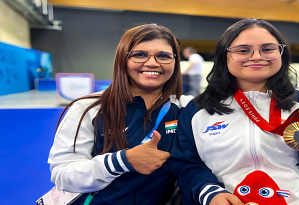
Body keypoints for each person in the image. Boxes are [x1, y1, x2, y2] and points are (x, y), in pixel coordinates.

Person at [169, 19, 299, 205]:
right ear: (225, 56)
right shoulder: (198, 110)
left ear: (281, 53)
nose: (256, 56)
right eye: (243, 50)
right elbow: (186, 164)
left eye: (267, 49)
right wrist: (211, 194)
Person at [48, 24, 193, 205]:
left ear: (175, 62)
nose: (152, 63)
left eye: (163, 56)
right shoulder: (88, 108)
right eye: (140, 54)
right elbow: (62, 175)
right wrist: (122, 161)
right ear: (122, 59)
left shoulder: (187, 108)